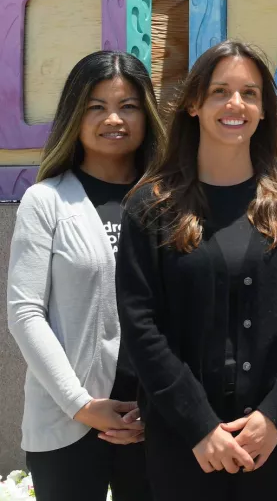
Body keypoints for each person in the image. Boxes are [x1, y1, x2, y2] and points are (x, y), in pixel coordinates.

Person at [114, 40, 277, 500]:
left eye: (250, 93)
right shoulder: (151, 208)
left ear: (263, 110)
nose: (235, 104)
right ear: (194, 104)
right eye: (220, 91)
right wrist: (198, 426)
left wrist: (276, 415)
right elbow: (141, 326)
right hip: (184, 444)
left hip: (274, 444)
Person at [7, 50, 164, 501]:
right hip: (67, 420)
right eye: (97, 106)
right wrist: (82, 406)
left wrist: (161, 408)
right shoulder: (47, 201)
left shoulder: (170, 202)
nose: (113, 119)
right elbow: (25, 313)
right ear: (75, 114)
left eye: (128, 106)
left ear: (147, 114)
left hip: (155, 417)